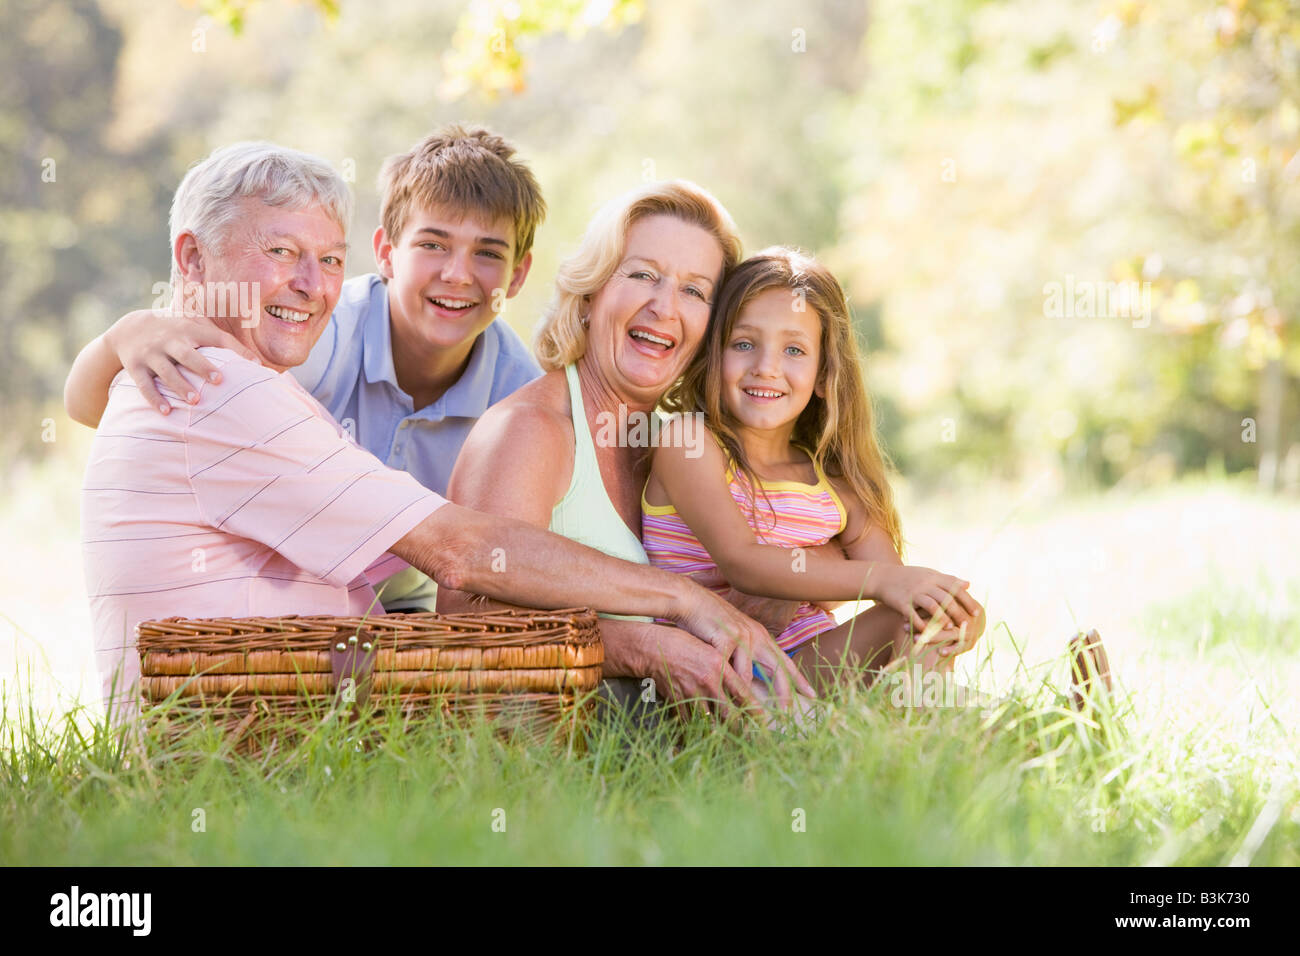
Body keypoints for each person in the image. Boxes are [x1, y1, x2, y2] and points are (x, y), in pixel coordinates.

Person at [74, 142, 791, 718]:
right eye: (281, 253)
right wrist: (678, 606)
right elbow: (465, 554)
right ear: (193, 259)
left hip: (327, 662)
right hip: (250, 719)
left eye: (327, 260)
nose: (311, 285)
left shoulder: (253, 372)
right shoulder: (228, 381)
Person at [65, 125, 547, 612]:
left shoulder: (516, 394)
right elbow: (97, 406)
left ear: (518, 274)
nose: (458, 274)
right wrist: (123, 335)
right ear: (385, 254)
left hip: (407, 606)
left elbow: (497, 556)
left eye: (487, 253)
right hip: (295, 600)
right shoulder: (311, 332)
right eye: (433, 245)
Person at [438, 183, 820, 717]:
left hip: (674, 750)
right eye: (642, 275)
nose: (664, 307)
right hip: (557, 753)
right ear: (591, 293)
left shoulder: (680, 448)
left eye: (694, 291)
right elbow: (467, 621)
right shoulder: (531, 429)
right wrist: (643, 649)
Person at [644, 247, 986, 693]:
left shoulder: (835, 486)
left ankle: (925, 727)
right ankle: (924, 726)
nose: (766, 367)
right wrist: (886, 582)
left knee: (920, 615)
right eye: (744, 343)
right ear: (713, 355)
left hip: (811, 667)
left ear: (825, 374)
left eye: (794, 350)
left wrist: (956, 615)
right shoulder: (689, 443)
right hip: (722, 673)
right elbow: (743, 562)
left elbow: (902, 592)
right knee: (907, 609)